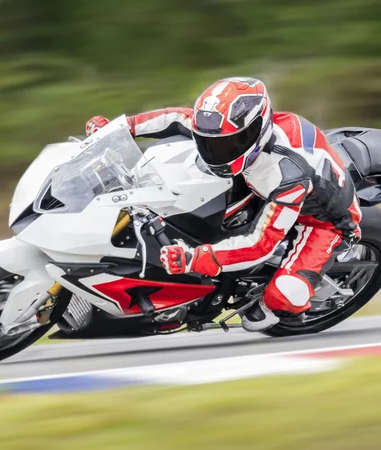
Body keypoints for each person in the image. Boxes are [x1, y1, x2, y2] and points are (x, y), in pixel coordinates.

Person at [85, 77, 361, 332]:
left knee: (285, 295)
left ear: (256, 131)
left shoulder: (286, 176)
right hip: (263, 183)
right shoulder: (234, 129)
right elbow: (175, 118)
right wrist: (116, 130)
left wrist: (194, 258)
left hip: (321, 221)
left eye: (227, 144)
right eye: (208, 143)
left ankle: (295, 307)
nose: (214, 152)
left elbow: (258, 245)